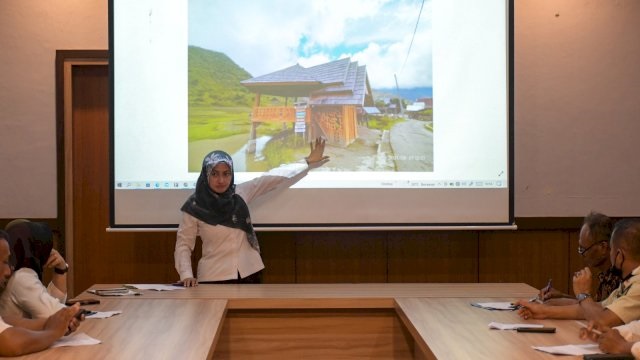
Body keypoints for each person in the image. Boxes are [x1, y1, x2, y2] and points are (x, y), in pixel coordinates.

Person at [175, 138, 330, 286]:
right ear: (205, 174)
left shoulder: (240, 193)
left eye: (226, 173)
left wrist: (307, 161)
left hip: (249, 273)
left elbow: (271, 178)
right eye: (214, 174)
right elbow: (183, 244)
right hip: (213, 277)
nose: (221, 180)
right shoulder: (194, 206)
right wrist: (186, 275)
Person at [515, 218, 640, 328]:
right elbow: (598, 308)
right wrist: (543, 311)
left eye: (611, 249)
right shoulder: (630, 280)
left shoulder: (637, 284)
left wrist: (583, 293)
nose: (610, 253)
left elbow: (601, 321)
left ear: (619, 255)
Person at [0, 229, 82, 357]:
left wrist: (54, 323)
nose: (8, 271)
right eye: (4, 261)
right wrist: (53, 332)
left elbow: (7, 321)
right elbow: (9, 342)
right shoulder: (21, 276)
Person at [539, 212, 620, 305]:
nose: (581, 254)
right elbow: (594, 305)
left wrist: (554, 305)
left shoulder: (619, 276)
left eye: (584, 249)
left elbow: (602, 312)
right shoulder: (605, 274)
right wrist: (562, 296)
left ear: (603, 247)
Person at [0, 221, 69, 319]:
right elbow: (53, 314)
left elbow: (48, 303)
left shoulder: (20, 273)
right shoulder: (21, 277)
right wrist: (77, 312)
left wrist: (61, 269)